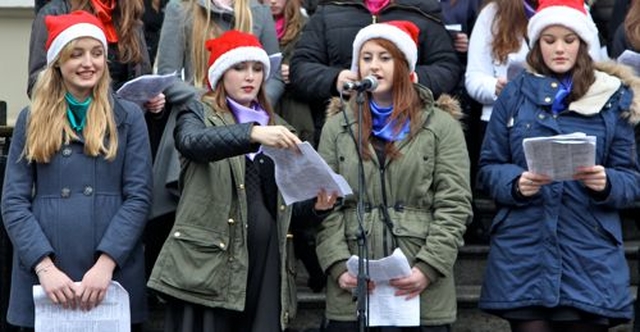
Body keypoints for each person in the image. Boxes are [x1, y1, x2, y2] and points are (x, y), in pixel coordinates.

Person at [147, 30, 336, 332]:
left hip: (265, 262)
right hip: (208, 262)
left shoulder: (279, 128)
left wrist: (316, 206)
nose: (250, 77)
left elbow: (283, 209)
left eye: (257, 69)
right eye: (239, 68)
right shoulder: (196, 111)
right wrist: (251, 133)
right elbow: (192, 142)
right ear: (221, 73)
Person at [476, 0, 640, 329]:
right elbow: (488, 167)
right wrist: (515, 183)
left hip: (588, 250)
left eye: (569, 40)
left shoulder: (612, 96)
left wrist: (606, 183)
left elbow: (631, 179)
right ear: (537, 45)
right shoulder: (514, 94)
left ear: (582, 44)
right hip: (525, 250)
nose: (560, 49)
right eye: (549, 40)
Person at [316, 20, 473, 331]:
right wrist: (337, 266)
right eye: (367, 58)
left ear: (404, 65)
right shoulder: (338, 127)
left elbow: (454, 204)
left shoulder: (441, 126)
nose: (374, 66)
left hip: (417, 278)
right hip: (355, 281)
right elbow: (326, 204)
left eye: (385, 58)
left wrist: (428, 267)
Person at [2, 10, 152, 331]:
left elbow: (138, 197)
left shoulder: (128, 117)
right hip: (47, 271)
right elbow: (13, 202)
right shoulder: (31, 119)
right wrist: (45, 268)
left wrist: (106, 264)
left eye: (97, 53)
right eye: (77, 54)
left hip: (112, 270)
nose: (89, 63)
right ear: (58, 61)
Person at [289, 0, 463, 147]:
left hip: (412, 128)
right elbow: (300, 68)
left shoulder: (422, 10)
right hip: (345, 126)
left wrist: (411, 78)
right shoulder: (330, 10)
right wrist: (335, 79)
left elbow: (447, 68)